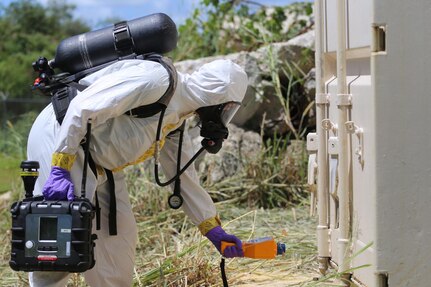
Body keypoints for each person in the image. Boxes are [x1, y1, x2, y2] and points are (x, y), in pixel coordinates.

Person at [27, 58, 248, 287]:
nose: (224, 118)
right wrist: (60, 167)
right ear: (219, 95)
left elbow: (183, 178)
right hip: (61, 139)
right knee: (58, 246)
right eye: (229, 108)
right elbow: (82, 108)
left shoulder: (177, 119)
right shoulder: (156, 80)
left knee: (119, 239)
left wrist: (212, 228)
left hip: (102, 165)